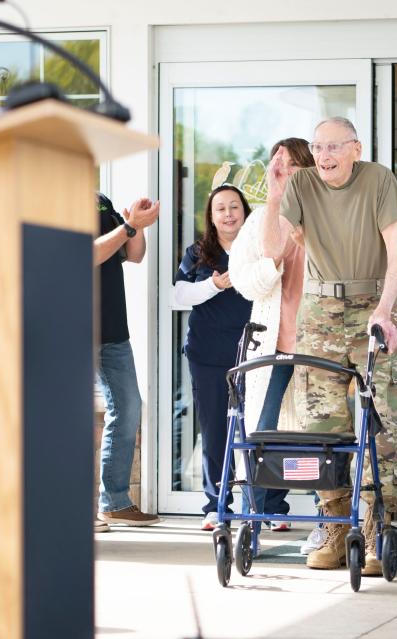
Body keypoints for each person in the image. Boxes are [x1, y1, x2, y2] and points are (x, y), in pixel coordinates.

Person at [263, 116, 397, 576]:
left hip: (374, 302)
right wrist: (272, 195)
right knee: (317, 424)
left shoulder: (378, 180)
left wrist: (385, 310)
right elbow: (272, 250)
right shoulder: (302, 184)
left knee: (378, 418)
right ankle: (331, 519)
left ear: (355, 149)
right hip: (320, 310)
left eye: (332, 148)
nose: (323, 156)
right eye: (317, 147)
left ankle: (373, 524)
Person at [228, 138, 315, 533]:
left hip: (319, 343)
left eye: (292, 164)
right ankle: (254, 518)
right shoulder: (260, 218)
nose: (282, 170)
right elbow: (246, 282)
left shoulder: (326, 215)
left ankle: (327, 519)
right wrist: (273, 261)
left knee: (322, 433)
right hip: (274, 344)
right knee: (260, 433)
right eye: (277, 163)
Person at [173, 185, 253, 531]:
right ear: (211, 216)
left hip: (254, 353)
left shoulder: (258, 249)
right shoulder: (198, 252)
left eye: (234, 206)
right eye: (220, 208)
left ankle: (269, 506)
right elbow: (177, 296)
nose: (228, 214)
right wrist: (214, 286)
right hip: (207, 355)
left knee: (257, 430)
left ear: (245, 212)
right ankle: (216, 504)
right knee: (215, 431)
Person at [94, 193, 162, 532]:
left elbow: (133, 255)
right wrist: (129, 227)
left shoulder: (100, 202)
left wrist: (137, 225)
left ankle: (115, 502)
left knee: (128, 408)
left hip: (112, 329)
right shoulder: (51, 199)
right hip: (69, 327)